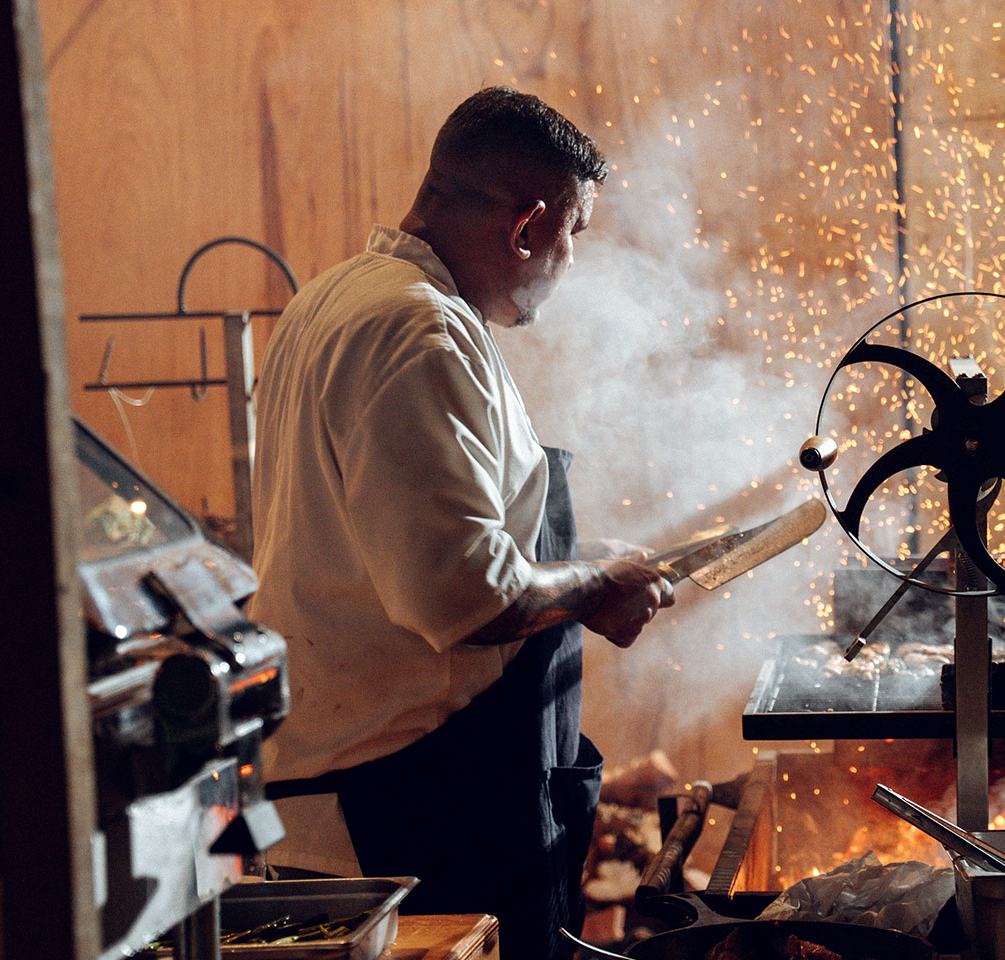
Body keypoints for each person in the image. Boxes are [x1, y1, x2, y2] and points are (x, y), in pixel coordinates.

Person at [247, 87, 674, 960]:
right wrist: (597, 587)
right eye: (573, 236)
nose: (569, 262)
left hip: (398, 784)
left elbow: (415, 547)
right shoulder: (417, 333)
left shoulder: (339, 298)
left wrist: (587, 563)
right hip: (407, 802)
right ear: (527, 228)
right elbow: (466, 600)